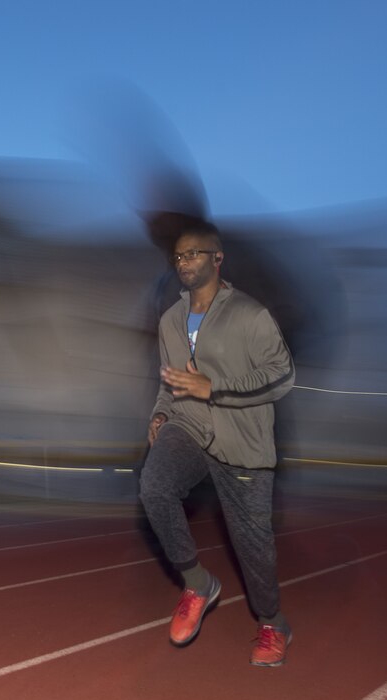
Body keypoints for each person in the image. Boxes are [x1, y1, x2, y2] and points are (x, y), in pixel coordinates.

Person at [138, 221, 295, 667]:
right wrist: (161, 414)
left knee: (253, 546)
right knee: (155, 486)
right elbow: (169, 384)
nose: (184, 263)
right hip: (188, 426)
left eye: (193, 255)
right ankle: (197, 582)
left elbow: (281, 376)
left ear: (217, 258)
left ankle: (272, 623)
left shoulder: (250, 314)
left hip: (239, 436)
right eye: (179, 258)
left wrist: (216, 387)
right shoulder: (170, 320)